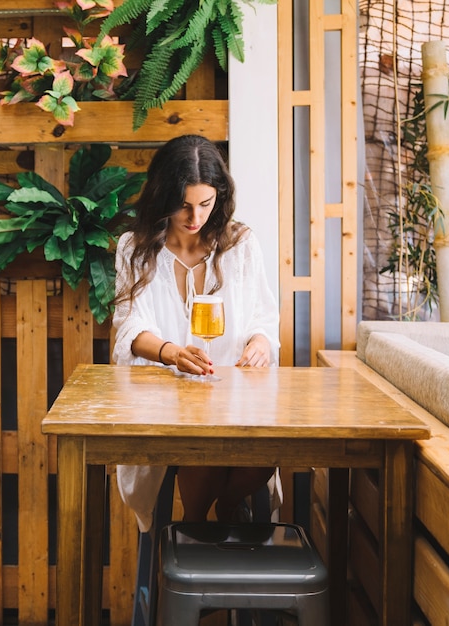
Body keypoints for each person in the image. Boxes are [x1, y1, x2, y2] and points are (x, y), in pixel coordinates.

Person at [112, 134, 281, 532]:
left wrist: (259, 342)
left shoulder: (240, 244)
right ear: (162, 195)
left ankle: (224, 510)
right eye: (183, 205)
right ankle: (194, 531)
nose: (195, 217)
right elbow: (129, 326)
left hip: (234, 393)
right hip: (164, 399)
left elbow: (264, 316)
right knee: (199, 446)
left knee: (262, 453)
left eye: (206, 204)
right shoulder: (135, 248)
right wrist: (170, 352)